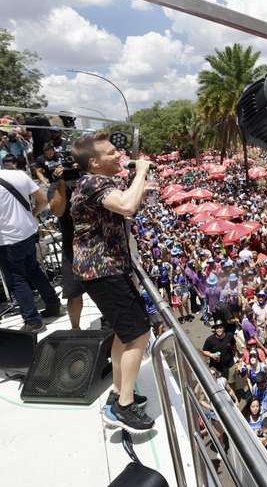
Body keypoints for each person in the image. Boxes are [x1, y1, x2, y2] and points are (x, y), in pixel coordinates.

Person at [71, 132, 153, 432]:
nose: (118, 154)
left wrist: (137, 181)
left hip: (108, 270)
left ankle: (120, 391)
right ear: (94, 163)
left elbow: (132, 206)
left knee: (124, 333)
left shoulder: (98, 182)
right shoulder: (92, 182)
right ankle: (124, 407)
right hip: (102, 271)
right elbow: (127, 207)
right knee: (139, 334)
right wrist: (141, 171)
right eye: (110, 153)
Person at [0, 162, 60, 332]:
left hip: (8, 239)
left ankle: (33, 321)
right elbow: (42, 200)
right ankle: (53, 303)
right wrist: (31, 214)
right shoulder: (18, 175)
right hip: (28, 230)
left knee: (17, 278)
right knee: (33, 269)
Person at [48, 162, 85, 330]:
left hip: (97, 244)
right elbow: (58, 211)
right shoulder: (56, 187)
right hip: (72, 246)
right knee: (74, 293)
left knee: (105, 291)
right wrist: (61, 184)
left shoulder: (91, 181)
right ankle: (75, 328)